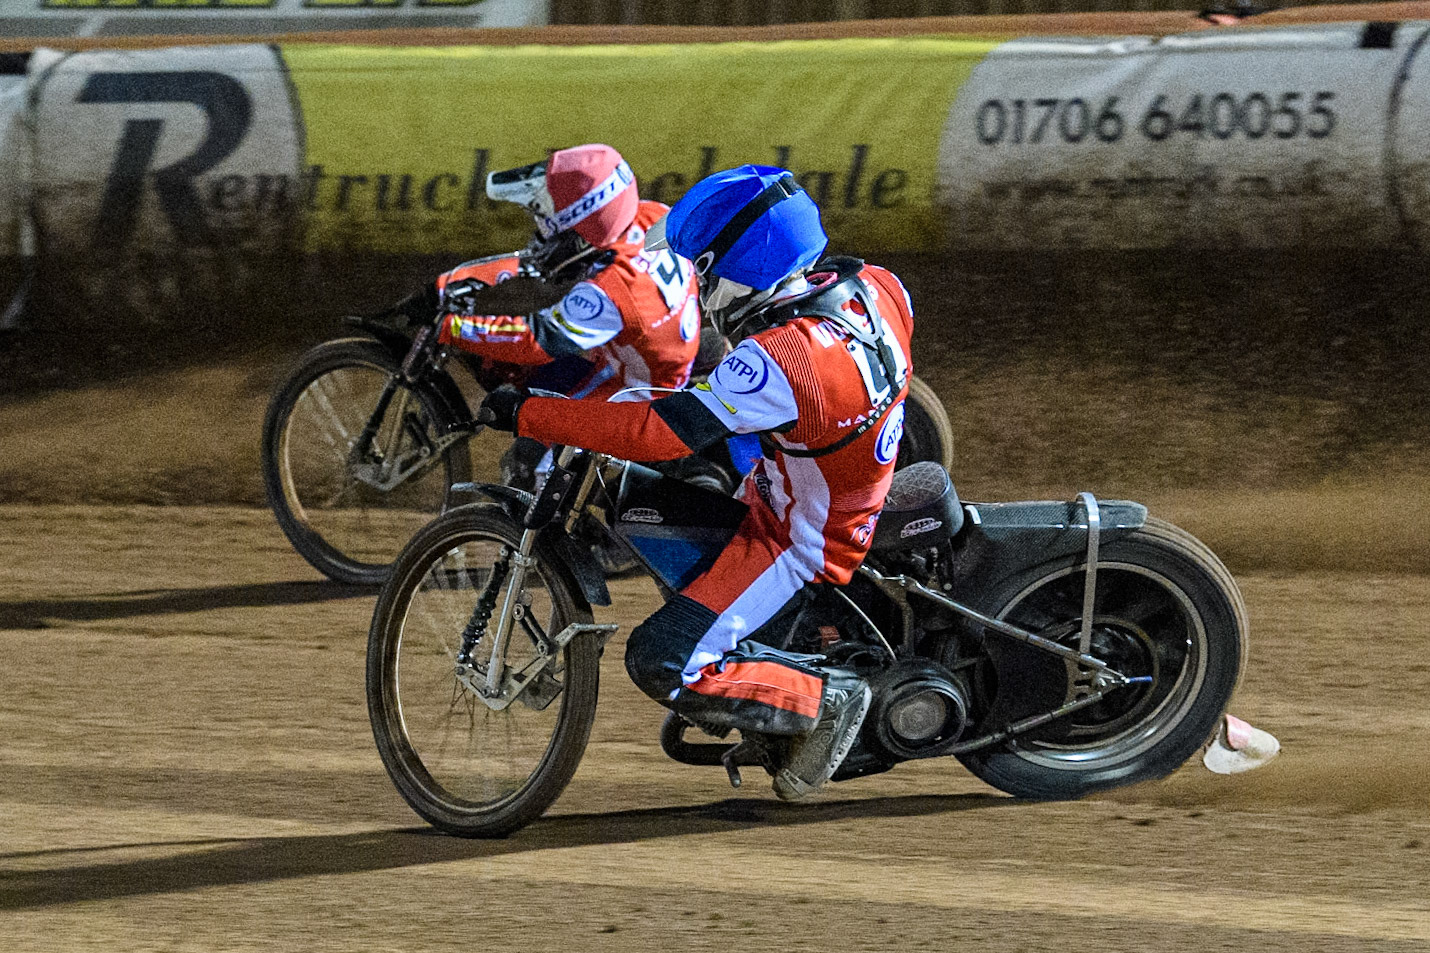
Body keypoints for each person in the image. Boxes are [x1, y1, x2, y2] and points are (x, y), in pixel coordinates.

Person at [478, 165, 917, 800]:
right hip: (818, 484)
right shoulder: (875, 287)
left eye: (702, 272)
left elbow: (658, 435)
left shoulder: (783, 360)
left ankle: (828, 700)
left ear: (736, 269)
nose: (699, 288)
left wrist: (528, 411)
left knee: (660, 658)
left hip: (799, 542)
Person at [392, 144, 702, 480]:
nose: (542, 228)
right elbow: (537, 264)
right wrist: (445, 285)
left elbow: (532, 342)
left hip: (637, 389)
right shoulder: (649, 215)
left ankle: (549, 527)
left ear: (585, 225)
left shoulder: (608, 294)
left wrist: (449, 328)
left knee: (527, 464)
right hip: (645, 352)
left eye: (551, 219)